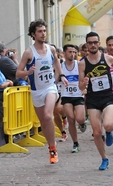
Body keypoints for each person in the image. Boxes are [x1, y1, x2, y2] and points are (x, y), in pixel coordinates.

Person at [16, 19, 68, 164]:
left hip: (50, 87)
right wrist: (28, 72)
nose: (43, 34)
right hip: (36, 91)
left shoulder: (50, 49)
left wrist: (62, 75)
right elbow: (18, 73)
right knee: (43, 122)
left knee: (47, 115)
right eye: (40, 31)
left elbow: (56, 62)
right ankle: (51, 146)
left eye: (44, 31)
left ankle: (53, 149)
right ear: (33, 34)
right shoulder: (28, 52)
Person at [78, 31, 113, 170]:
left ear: (99, 44)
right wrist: (84, 83)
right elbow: (80, 86)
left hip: (108, 97)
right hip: (92, 99)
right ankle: (104, 158)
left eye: (95, 42)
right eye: (89, 43)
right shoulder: (82, 63)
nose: (92, 45)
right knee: (97, 132)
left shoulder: (107, 58)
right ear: (86, 45)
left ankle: (109, 131)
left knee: (108, 124)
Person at [60, 44, 87, 153]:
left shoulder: (79, 64)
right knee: (70, 119)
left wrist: (85, 88)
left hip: (78, 94)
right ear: (64, 53)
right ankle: (75, 143)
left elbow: (86, 77)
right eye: (70, 52)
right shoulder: (60, 66)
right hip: (66, 95)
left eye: (74, 52)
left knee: (79, 118)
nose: (73, 54)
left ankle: (82, 123)